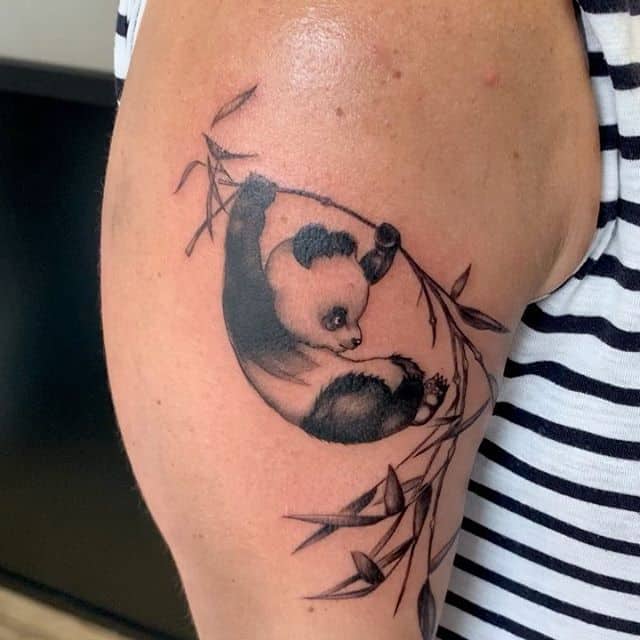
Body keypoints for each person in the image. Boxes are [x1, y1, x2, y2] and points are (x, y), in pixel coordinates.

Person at [102, 1, 640, 638]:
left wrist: (374, 258)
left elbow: (353, 281)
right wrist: (250, 216)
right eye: (340, 322)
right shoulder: (338, 43)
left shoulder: (299, 286)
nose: (355, 333)